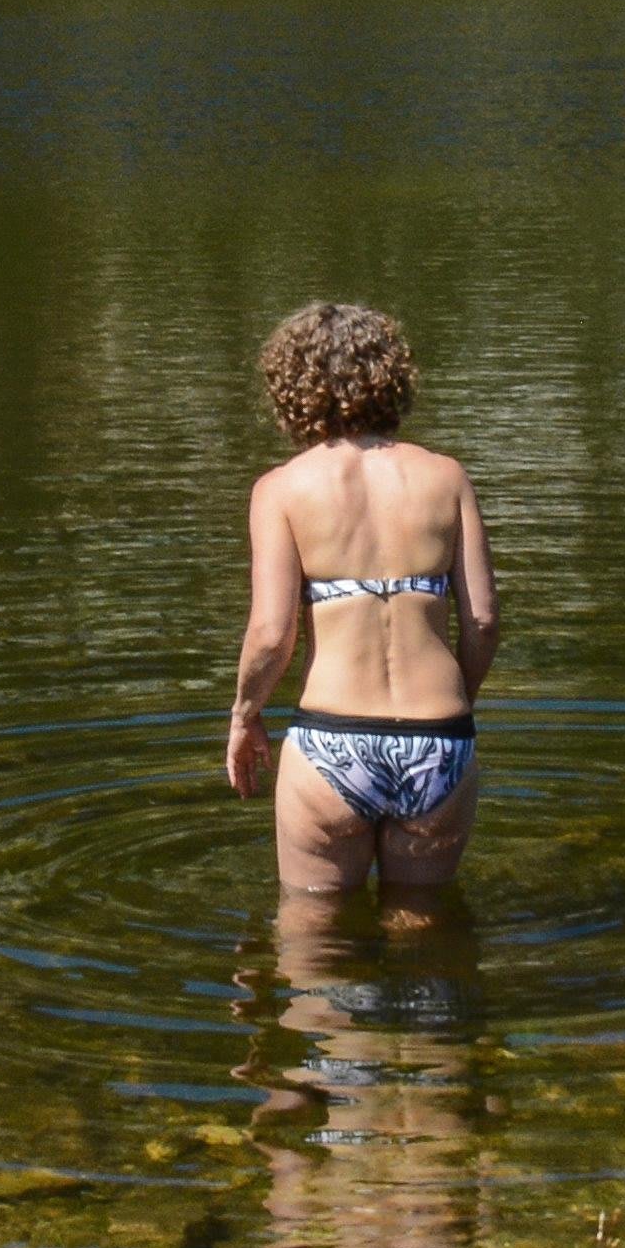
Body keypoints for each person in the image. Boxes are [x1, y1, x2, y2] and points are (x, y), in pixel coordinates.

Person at [220, 299, 496, 913]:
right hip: (439, 741)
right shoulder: (447, 478)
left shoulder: (283, 489)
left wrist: (245, 716)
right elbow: (482, 621)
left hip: (332, 743)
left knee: (315, 943)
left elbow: (271, 634)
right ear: (391, 376)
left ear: (291, 387)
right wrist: (459, 703)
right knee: (428, 943)